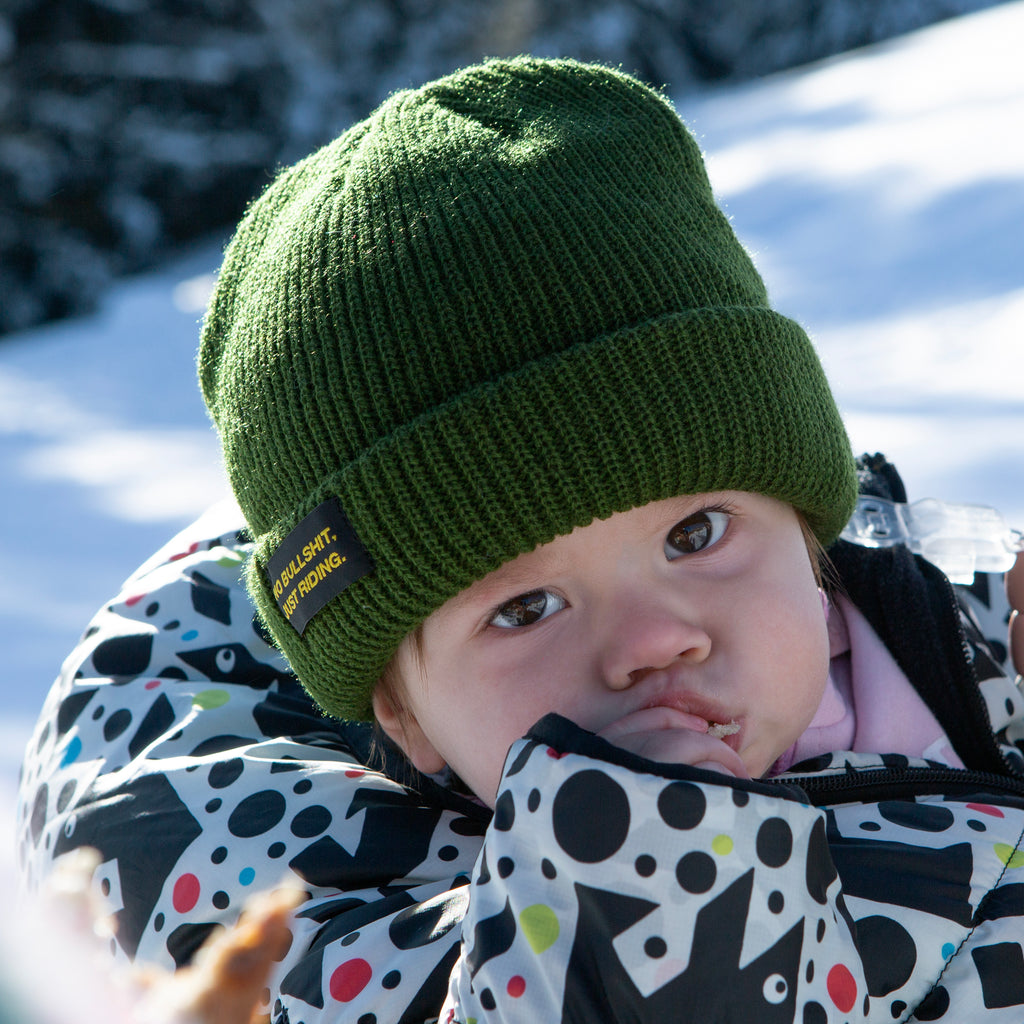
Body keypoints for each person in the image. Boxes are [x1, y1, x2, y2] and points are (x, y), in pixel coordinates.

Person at [16, 56, 1024, 1022]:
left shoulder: (960, 640)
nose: (653, 642)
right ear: (405, 721)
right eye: (524, 606)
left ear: (809, 534)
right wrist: (645, 869)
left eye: (695, 531)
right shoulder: (327, 936)